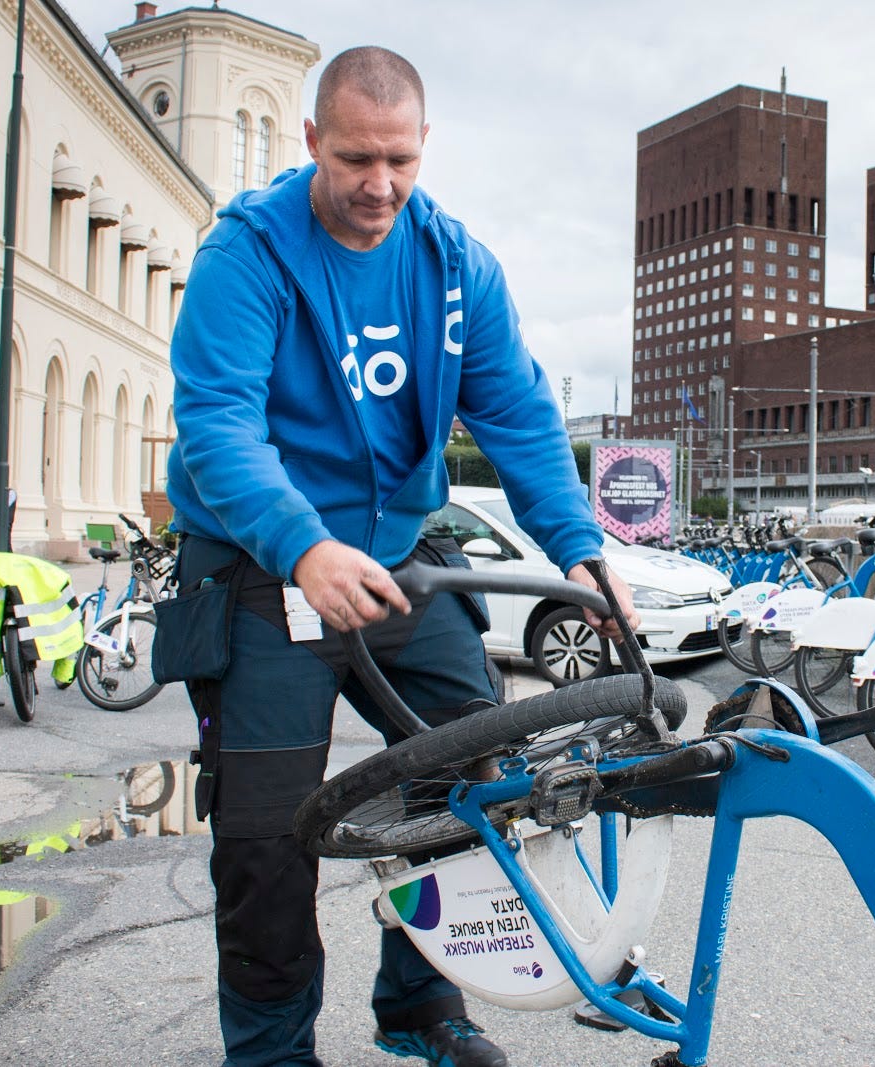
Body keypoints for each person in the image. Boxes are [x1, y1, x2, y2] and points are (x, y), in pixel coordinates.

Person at [160, 46, 637, 1067]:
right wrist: (302, 546)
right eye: (356, 158)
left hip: (393, 560)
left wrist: (580, 552)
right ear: (311, 142)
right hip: (262, 566)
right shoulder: (247, 255)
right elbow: (218, 423)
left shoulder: (455, 266)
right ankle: (274, 1052)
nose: (379, 184)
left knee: (472, 778)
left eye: (400, 161)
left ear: (424, 149)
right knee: (264, 838)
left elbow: (516, 415)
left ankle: (417, 1003)